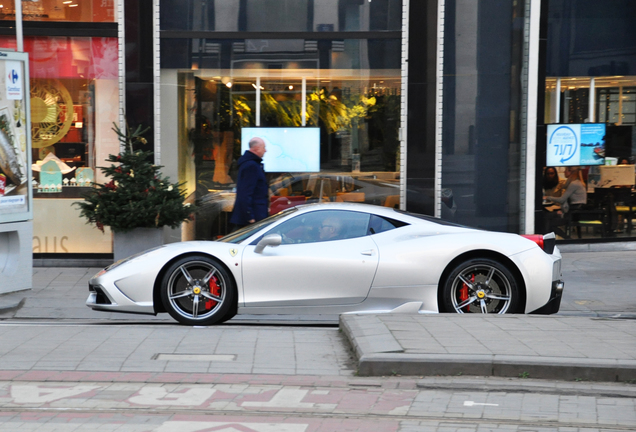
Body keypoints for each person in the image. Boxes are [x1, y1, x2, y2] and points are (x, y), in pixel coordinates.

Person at [230, 137, 268, 229]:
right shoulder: (251, 166)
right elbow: (245, 193)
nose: (265, 150)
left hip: (253, 216)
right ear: (256, 148)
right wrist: (249, 216)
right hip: (252, 218)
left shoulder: (251, 164)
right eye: (264, 147)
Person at [543, 166, 587, 239]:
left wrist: (547, 197)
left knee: (548, 221)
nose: (564, 172)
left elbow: (562, 199)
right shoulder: (576, 183)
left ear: (571, 172)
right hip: (575, 211)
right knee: (548, 218)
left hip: (574, 213)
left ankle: (566, 238)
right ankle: (562, 238)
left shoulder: (574, 184)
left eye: (566, 170)